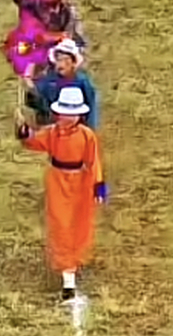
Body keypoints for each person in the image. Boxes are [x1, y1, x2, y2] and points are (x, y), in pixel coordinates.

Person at [16, 85, 106, 300]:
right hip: (57, 182)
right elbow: (34, 141)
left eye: (71, 113)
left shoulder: (87, 136)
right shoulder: (52, 133)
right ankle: (68, 277)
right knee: (60, 224)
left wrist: (98, 184)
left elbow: (93, 162)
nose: (67, 117)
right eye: (64, 112)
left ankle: (74, 261)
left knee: (78, 224)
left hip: (80, 184)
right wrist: (23, 131)